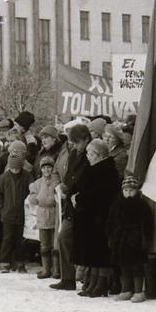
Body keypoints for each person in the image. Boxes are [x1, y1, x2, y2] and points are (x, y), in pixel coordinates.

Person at [73, 138, 120, 297]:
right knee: (92, 250)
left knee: (100, 251)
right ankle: (92, 281)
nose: (87, 156)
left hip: (100, 216)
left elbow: (98, 195)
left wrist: (79, 199)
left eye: (90, 153)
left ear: (99, 155)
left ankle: (102, 282)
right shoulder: (93, 168)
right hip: (90, 216)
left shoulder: (107, 171)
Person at [50, 124, 91, 292]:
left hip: (85, 205)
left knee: (86, 243)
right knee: (63, 237)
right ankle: (67, 278)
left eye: (77, 142)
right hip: (71, 205)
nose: (75, 145)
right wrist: (62, 186)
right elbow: (69, 175)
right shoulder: (73, 154)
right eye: (73, 142)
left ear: (86, 139)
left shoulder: (91, 154)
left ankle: (88, 279)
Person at [107, 175, 153, 302]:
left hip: (136, 240)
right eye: (126, 190)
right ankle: (126, 290)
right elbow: (111, 222)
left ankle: (139, 291)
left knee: (137, 267)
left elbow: (148, 223)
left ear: (136, 190)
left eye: (131, 190)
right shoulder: (117, 204)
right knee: (124, 267)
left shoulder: (142, 205)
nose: (128, 193)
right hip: (120, 240)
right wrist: (111, 236)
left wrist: (146, 238)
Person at [0, 142, 31, 274]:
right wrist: (1, 208)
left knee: (20, 240)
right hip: (7, 214)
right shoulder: (3, 178)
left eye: (18, 169)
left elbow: (31, 191)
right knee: (7, 239)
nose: (15, 171)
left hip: (22, 214)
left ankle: (20, 262)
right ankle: (5, 262)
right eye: (13, 168)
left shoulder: (27, 176)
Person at [28, 157, 59, 279]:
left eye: (49, 167)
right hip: (42, 215)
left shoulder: (56, 182)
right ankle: (46, 269)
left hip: (54, 214)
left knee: (55, 244)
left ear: (52, 169)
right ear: (41, 169)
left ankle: (56, 269)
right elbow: (32, 197)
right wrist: (34, 198)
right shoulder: (37, 183)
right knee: (44, 244)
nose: (46, 170)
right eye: (44, 168)